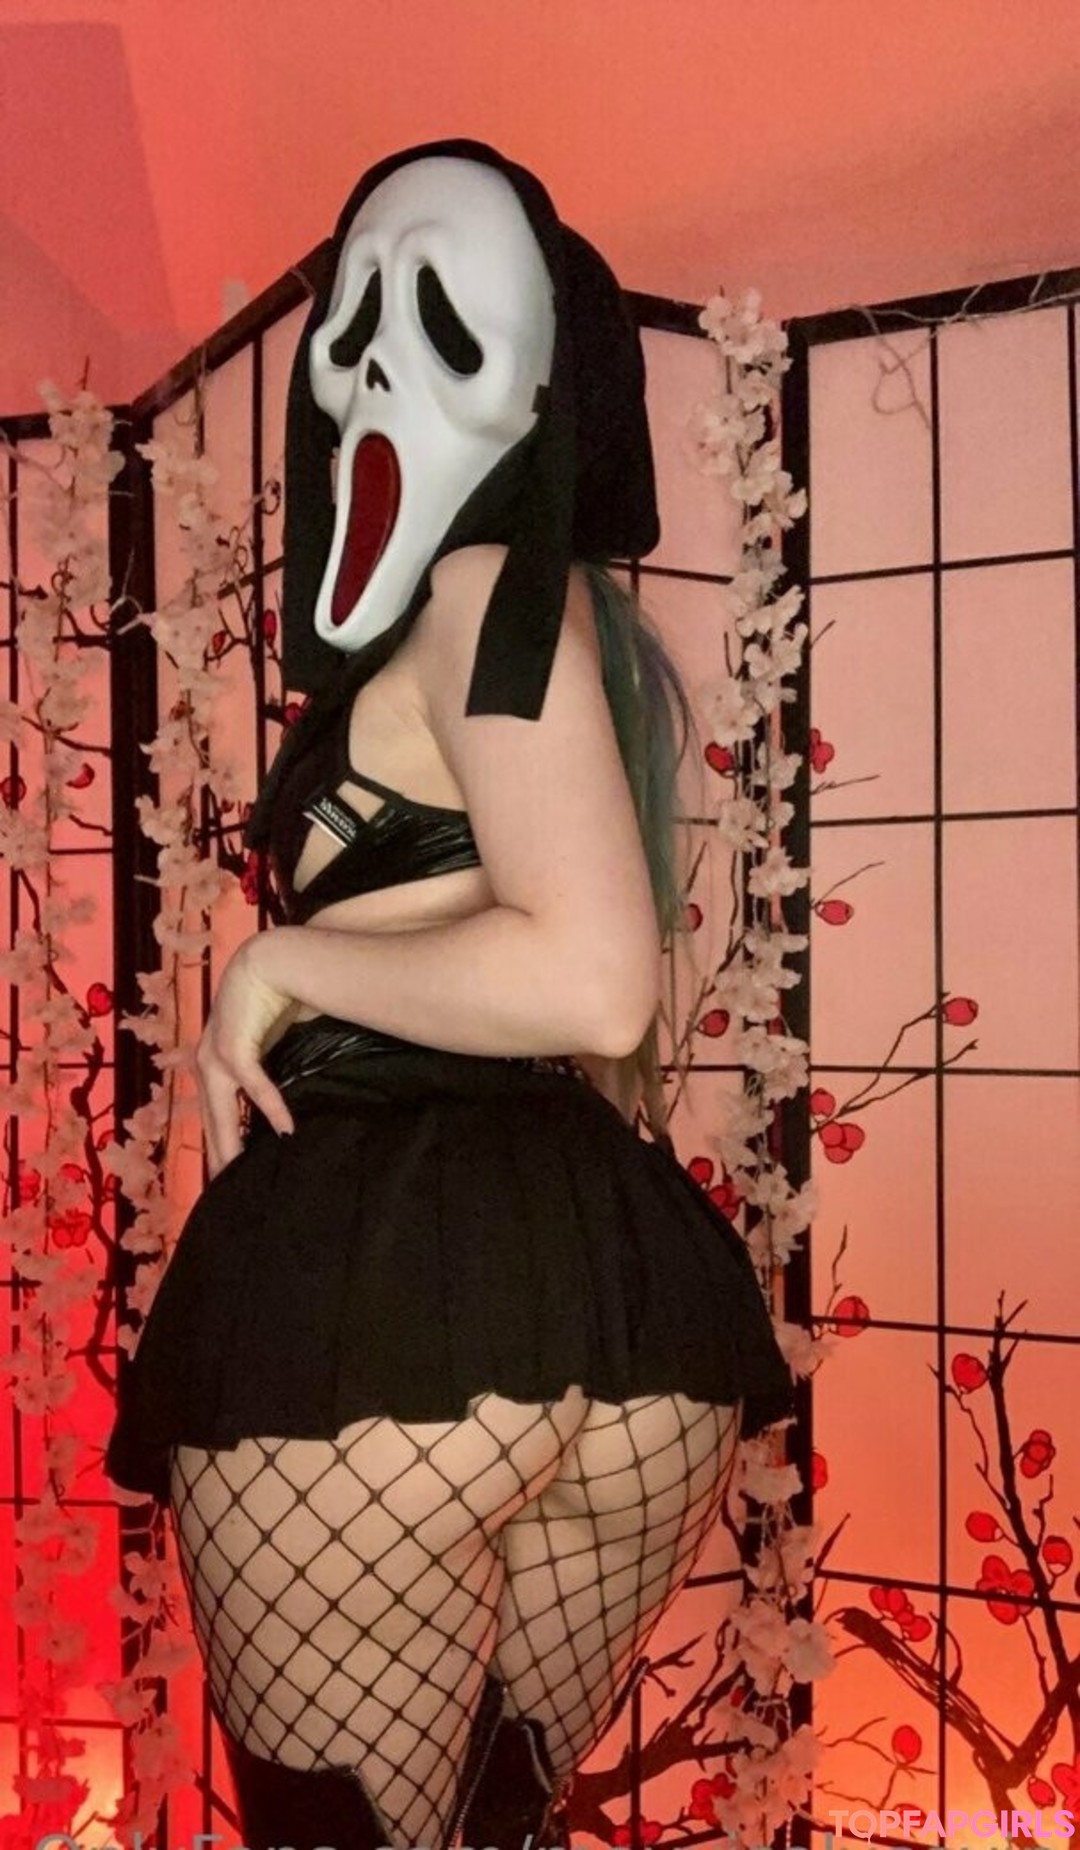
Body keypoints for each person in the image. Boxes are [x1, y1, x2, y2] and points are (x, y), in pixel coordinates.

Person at [104, 141, 796, 1850]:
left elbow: (595, 976)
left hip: (384, 1302)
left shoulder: (485, 586)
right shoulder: (525, 618)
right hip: (611, 1323)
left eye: (435, 317)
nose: (361, 367)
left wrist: (280, 958)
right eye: (349, 320)